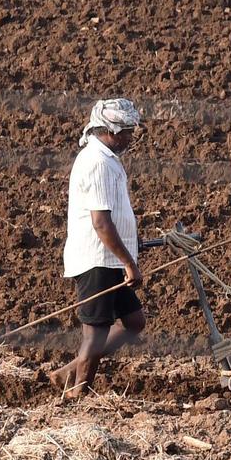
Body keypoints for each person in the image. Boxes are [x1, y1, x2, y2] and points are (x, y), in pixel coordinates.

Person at [49, 98, 145, 397]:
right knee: (96, 331)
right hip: (97, 260)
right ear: (108, 130)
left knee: (134, 322)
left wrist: (130, 248)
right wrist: (129, 262)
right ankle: (79, 394)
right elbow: (101, 223)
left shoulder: (107, 159)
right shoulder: (97, 163)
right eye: (125, 131)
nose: (130, 136)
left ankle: (71, 371)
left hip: (111, 259)